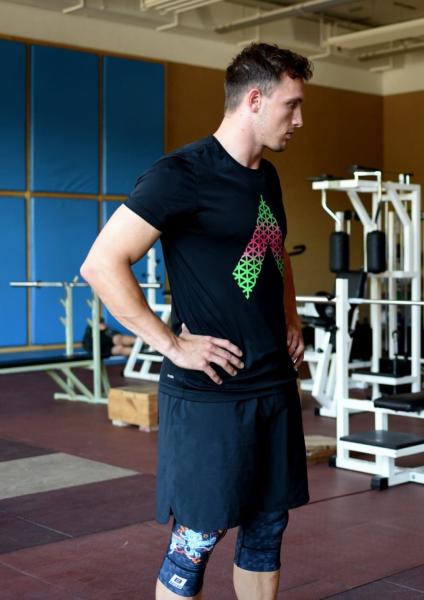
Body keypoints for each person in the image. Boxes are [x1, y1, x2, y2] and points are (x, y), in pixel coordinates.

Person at [80, 43, 312, 600]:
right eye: (292, 106)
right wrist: (173, 345)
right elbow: (101, 264)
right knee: (197, 538)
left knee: (266, 529)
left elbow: (271, 253)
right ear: (254, 100)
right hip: (211, 393)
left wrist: (290, 317)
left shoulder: (267, 178)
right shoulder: (181, 174)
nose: (300, 120)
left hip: (272, 384)